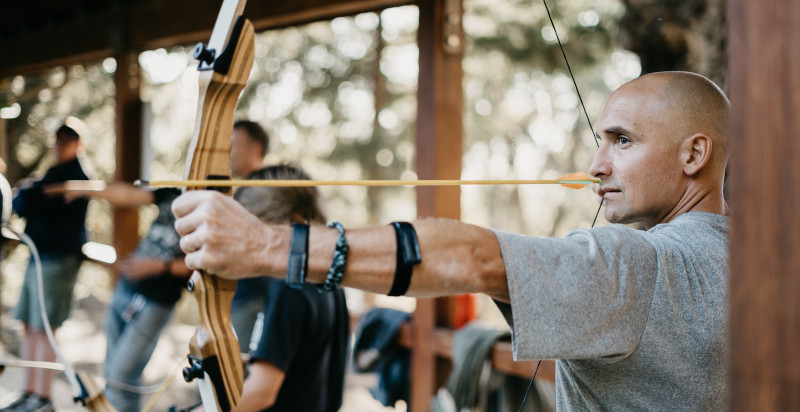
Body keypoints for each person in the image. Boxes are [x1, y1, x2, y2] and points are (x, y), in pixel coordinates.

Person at [172, 71, 731, 410]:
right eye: (599, 140)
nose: (596, 164)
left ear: (693, 155)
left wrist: (265, 246)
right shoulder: (753, 262)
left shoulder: (638, 266)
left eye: (623, 141)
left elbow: (472, 255)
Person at [229, 164, 348, 412]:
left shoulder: (289, 287)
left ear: (292, 222)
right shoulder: (332, 281)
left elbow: (261, 392)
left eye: (258, 232)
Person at [3, 122, 90, 412]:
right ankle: (29, 393)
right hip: (37, 256)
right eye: (57, 139)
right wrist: (34, 194)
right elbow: (25, 201)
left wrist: (33, 195)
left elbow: (34, 202)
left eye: (66, 140)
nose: (59, 145)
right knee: (29, 326)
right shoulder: (52, 175)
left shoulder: (78, 179)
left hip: (57, 261)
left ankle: (43, 398)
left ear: (78, 144)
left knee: (44, 329)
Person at [229, 120, 273, 353]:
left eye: (233, 145)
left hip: (256, 294)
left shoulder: (268, 185)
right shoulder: (246, 187)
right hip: (244, 292)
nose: (228, 153)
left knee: (232, 366)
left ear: (255, 148)